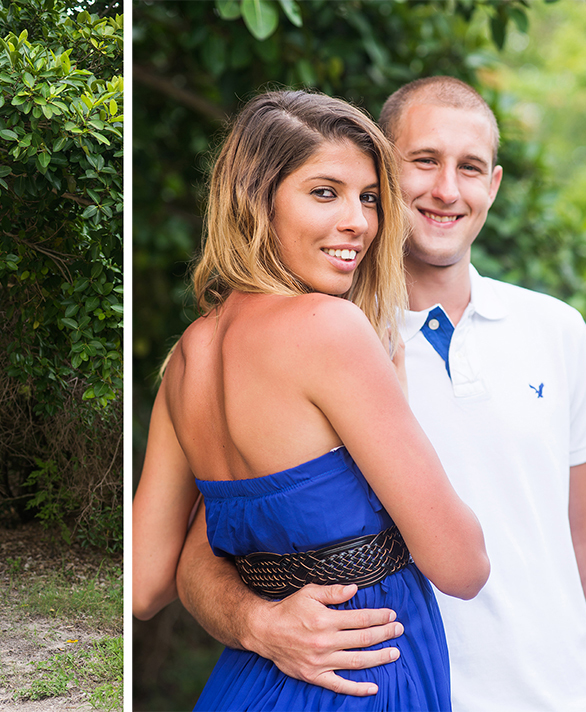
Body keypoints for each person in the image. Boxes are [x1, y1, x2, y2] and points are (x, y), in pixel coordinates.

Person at [160, 77, 586, 710]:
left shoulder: (557, 329)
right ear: (383, 167)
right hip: (396, 684)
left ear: (494, 185)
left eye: (470, 168)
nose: (448, 189)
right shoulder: (315, 339)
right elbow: (202, 557)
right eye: (423, 161)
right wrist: (258, 624)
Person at [132, 88, 489, 710]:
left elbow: (142, 584)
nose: (359, 221)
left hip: (247, 682)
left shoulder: (185, 357)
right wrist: (392, 365)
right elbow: (462, 566)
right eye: (325, 192)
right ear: (256, 201)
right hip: (360, 676)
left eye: (370, 197)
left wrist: (256, 624)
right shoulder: (331, 329)